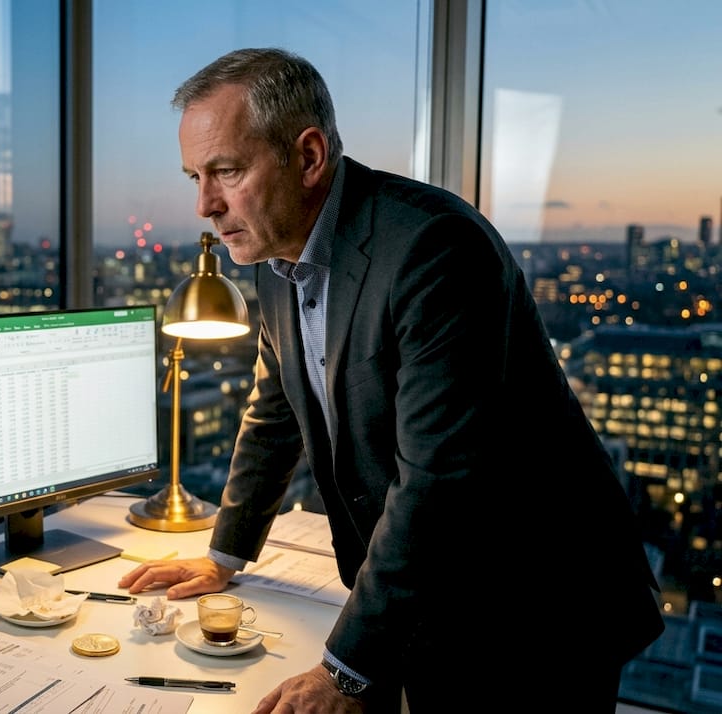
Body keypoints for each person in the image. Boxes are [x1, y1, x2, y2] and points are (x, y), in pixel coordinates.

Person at [117, 48, 664, 713]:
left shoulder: (434, 249)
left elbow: (438, 480)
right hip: (435, 600)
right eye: (194, 176)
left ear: (309, 157)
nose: (204, 203)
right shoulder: (274, 255)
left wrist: (347, 671)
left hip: (536, 604)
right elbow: (275, 412)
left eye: (226, 171)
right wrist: (224, 555)